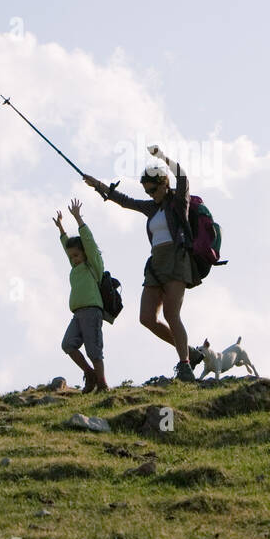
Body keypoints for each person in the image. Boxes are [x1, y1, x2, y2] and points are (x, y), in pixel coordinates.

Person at [84, 145, 198, 381]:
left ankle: (185, 364)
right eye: (147, 191)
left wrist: (163, 158)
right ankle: (191, 352)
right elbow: (124, 201)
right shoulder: (151, 207)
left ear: (165, 183)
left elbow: (183, 176)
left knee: (171, 314)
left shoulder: (178, 202)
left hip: (177, 260)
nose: (150, 194)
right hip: (156, 264)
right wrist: (98, 186)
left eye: (153, 189)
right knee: (146, 317)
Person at [55, 198, 109, 393]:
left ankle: (102, 384)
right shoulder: (76, 268)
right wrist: (61, 229)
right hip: (78, 313)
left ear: (85, 254)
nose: (74, 259)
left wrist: (78, 219)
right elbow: (67, 248)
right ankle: (91, 374)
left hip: (92, 311)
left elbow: (89, 243)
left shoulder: (92, 266)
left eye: (77, 255)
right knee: (68, 344)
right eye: (72, 257)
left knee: (94, 350)